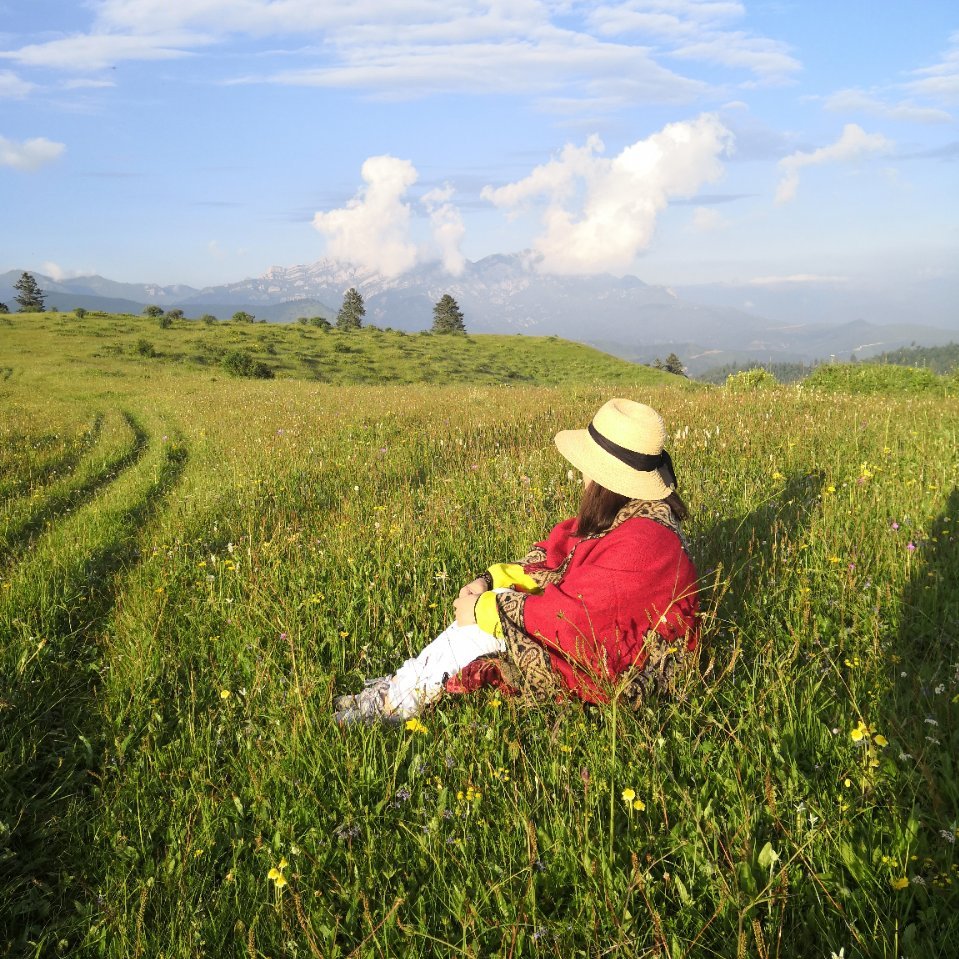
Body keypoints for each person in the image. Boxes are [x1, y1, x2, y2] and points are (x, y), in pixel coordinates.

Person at [333, 398, 700, 726]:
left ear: (605, 477)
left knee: (480, 629)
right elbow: (560, 555)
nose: (582, 477)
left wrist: (486, 609)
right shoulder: (632, 516)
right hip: (606, 643)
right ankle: (400, 688)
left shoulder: (643, 544)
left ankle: (393, 702)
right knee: (487, 615)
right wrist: (491, 581)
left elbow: (573, 621)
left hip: (620, 669)